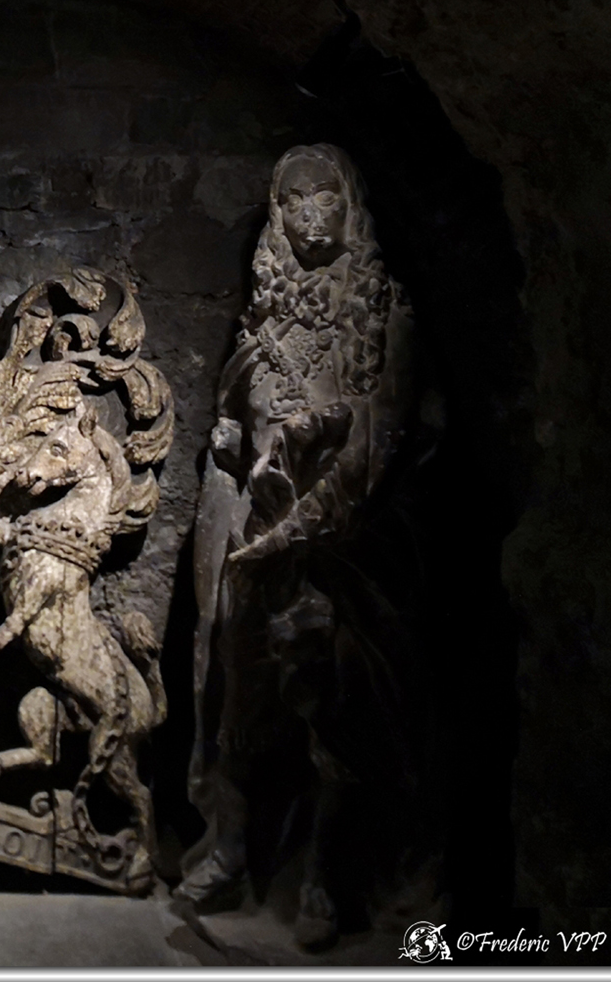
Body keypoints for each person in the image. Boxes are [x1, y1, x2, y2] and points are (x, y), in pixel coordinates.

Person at [178, 144, 416, 949]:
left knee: (332, 711)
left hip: (334, 547)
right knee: (240, 701)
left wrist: (303, 507)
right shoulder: (263, 320)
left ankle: (324, 874)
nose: (310, 215)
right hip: (253, 539)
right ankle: (231, 849)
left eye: (325, 199)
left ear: (351, 208)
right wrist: (231, 439)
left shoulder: (384, 311)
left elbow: (383, 439)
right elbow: (235, 414)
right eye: (293, 201)